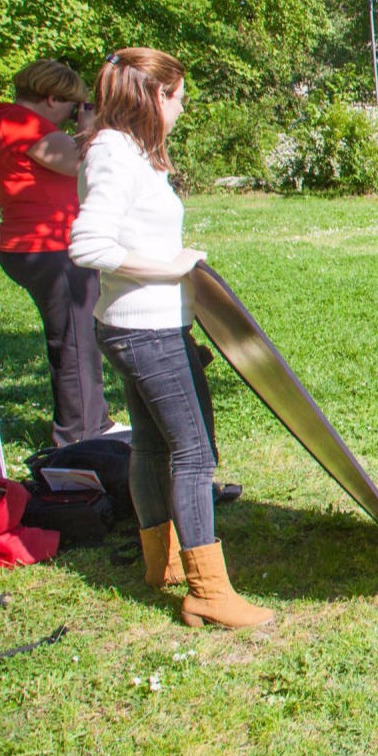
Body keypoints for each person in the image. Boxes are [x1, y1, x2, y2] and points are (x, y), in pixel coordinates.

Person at [69, 47, 271, 629]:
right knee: (195, 453)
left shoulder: (128, 151)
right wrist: (175, 267)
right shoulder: (114, 154)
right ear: (153, 96)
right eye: (178, 97)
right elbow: (89, 246)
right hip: (147, 330)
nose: (182, 108)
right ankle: (208, 591)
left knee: (154, 448)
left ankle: (162, 565)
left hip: (141, 326)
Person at [0, 60, 120, 445]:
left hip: (39, 246)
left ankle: (95, 422)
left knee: (78, 337)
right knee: (74, 342)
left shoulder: (7, 120)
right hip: (49, 249)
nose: (70, 115)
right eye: (69, 105)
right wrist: (90, 131)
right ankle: (77, 436)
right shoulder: (22, 124)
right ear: (50, 99)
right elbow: (81, 163)